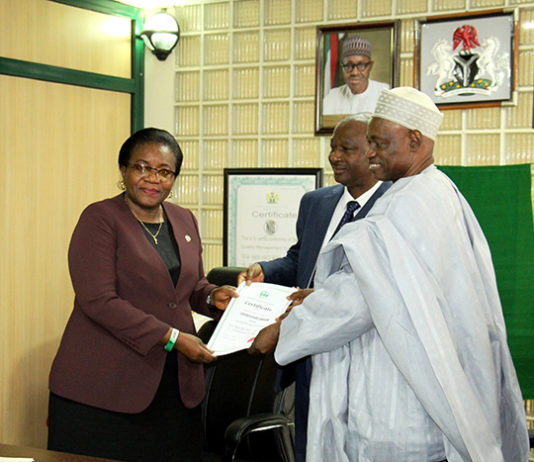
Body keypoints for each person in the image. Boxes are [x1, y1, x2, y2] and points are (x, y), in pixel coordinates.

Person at [269, 87, 529, 461]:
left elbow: (358, 300)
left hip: (399, 407)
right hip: (428, 396)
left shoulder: (402, 206)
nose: (371, 153)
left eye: (379, 142)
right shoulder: (438, 190)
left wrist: (283, 329)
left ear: (414, 140)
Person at [48, 128, 237, 462]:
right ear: (124, 170)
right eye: (142, 167)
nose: (153, 178)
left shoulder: (184, 219)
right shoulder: (100, 219)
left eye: (164, 171)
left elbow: (188, 286)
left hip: (175, 390)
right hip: (104, 391)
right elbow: (98, 300)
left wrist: (212, 297)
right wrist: (172, 337)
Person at [239, 113, 391, 462]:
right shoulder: (316, 202)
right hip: (308, 356)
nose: (334, 156)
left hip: (362, 359)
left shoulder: (393, 206)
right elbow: (300, 260)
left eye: (346, 149)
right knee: (310, 447)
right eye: (332, 147)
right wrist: (265, 270)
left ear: (372, 152)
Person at [323, 35, 389, 115]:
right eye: (349, 66)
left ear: (370, 66)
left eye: (361, 65)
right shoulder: (332, 97)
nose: (355, 72)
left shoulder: (385, 94)